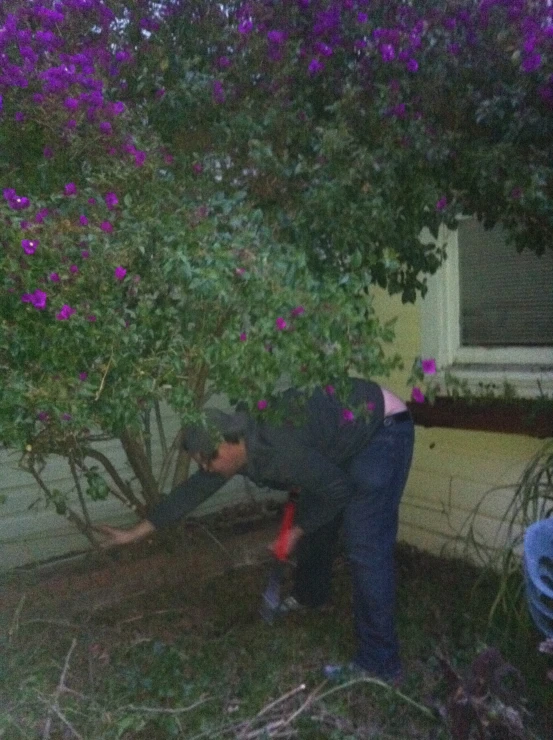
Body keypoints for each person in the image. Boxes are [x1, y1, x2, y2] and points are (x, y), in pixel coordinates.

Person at [98, 378, 414, 683]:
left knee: (364, 544)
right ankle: (311, 596)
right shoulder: (239, 445)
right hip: (343, 435)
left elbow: (339, 491)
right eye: (200, 463)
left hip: (381, 428)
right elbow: (192, 491)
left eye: (208, 460)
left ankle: (380, 662)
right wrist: (135, 533)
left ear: (227, 443)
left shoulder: (277, 449)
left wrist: (296, 531)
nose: (206, 468)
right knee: (317, 512)